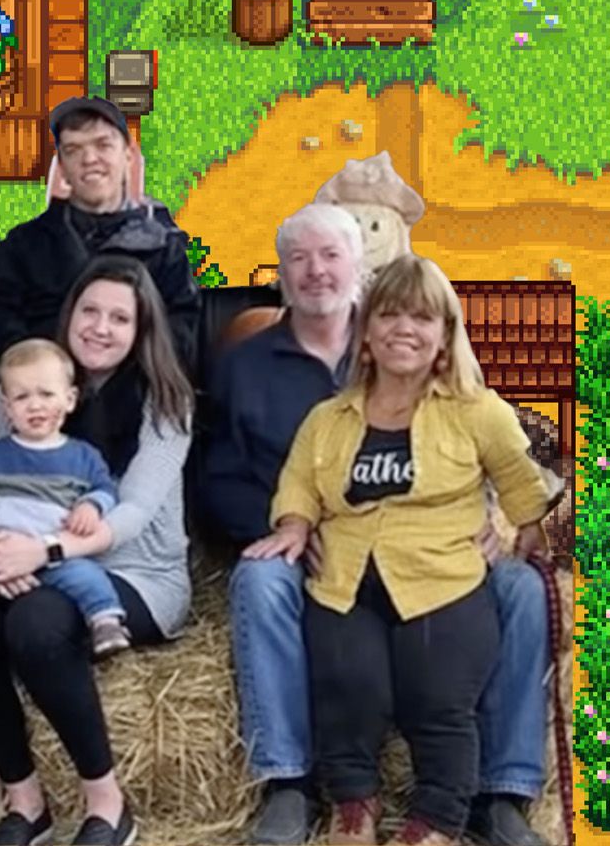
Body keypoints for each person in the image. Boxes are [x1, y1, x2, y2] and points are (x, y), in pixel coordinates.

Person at [195, 203, 553, 846]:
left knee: (522, 591)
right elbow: (227, 477)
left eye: (330, 255)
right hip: (326, 554)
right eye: (298, 258)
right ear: (278, 274)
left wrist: (509, 528)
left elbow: (526, 476)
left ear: (359, 271)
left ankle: (503, 793)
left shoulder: (454, 388)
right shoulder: (253, 369)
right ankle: (290, 784)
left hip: (442, 558)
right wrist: (291, 527)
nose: (315, 272)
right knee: (262, 584)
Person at [0, 256, 195, 846]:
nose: (100, 328)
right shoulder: (22, 388)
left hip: (133, 571)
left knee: (36, 624)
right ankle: (25, 800)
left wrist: (43, 551)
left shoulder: (166, 401)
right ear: (70, 313)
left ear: (141, 331)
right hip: (18, 556)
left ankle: (107, 804)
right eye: (90, 311)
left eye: (120, 317)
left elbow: (131, 515)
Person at [0, 96, 200, 376]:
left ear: (128, 155)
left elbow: (181, 334)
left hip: (134, 393)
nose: (89, 159)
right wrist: (46, 371)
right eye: (73, 149)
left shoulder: (164, 248)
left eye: (103, 145)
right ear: (62, 167)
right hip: (41, 394)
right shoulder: (24, 245)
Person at [0, 338, 128, 666]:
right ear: (6, 407)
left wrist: (91, 506)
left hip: (54, 553)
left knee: (88, 577)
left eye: (46, 394)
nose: (35, 405)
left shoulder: (83, 456)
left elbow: (105, 488)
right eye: (22, 396)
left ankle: (105, 623)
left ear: (70, 399)